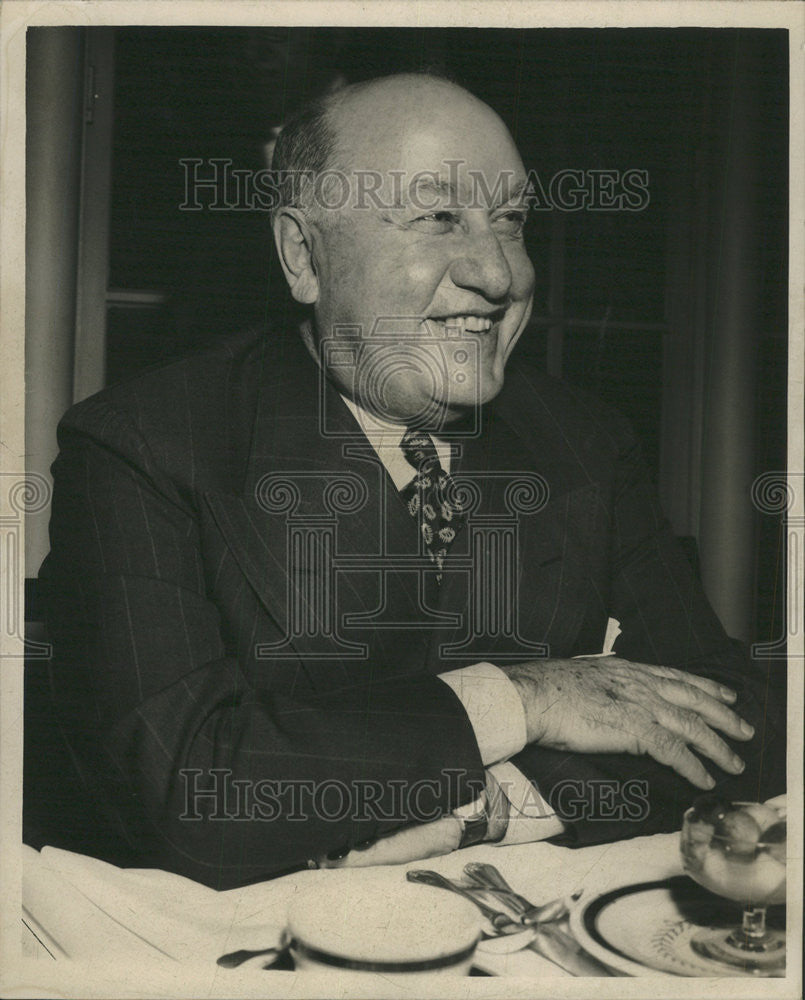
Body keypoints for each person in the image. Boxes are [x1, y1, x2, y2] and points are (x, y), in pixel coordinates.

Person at [35, 73, 784, 889]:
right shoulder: (144, 444)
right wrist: (522, 700)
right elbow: (184, 794)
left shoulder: (583, 440)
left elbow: (732, 719)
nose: (498, 277)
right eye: (437, 218)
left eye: (510, 221)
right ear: (302, 256)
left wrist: (497, 806)